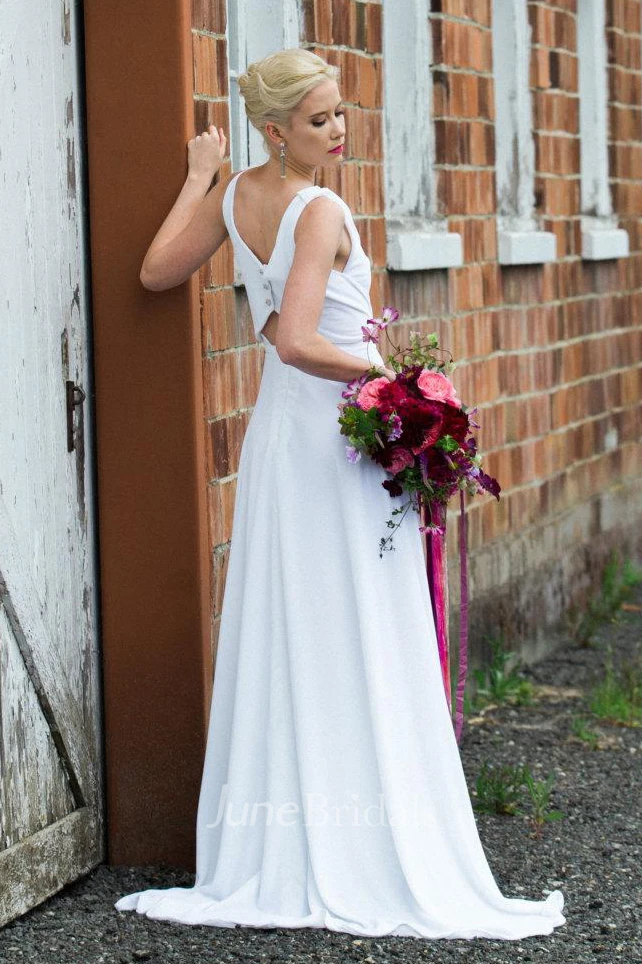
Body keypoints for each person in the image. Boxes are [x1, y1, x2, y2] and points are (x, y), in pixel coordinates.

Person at [114, 47, 566, 939]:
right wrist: (398, 370)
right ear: (277, 130)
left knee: (302, 619)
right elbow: (293, 339)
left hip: (281, 445)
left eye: (341, 112)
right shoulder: (318, 209)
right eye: (319, 119)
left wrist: (203, 177)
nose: (339, 129)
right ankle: (362, 838)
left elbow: (158, 268)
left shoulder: (236, 195)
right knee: (358, 619)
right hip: (336, 439)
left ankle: (297, 835)